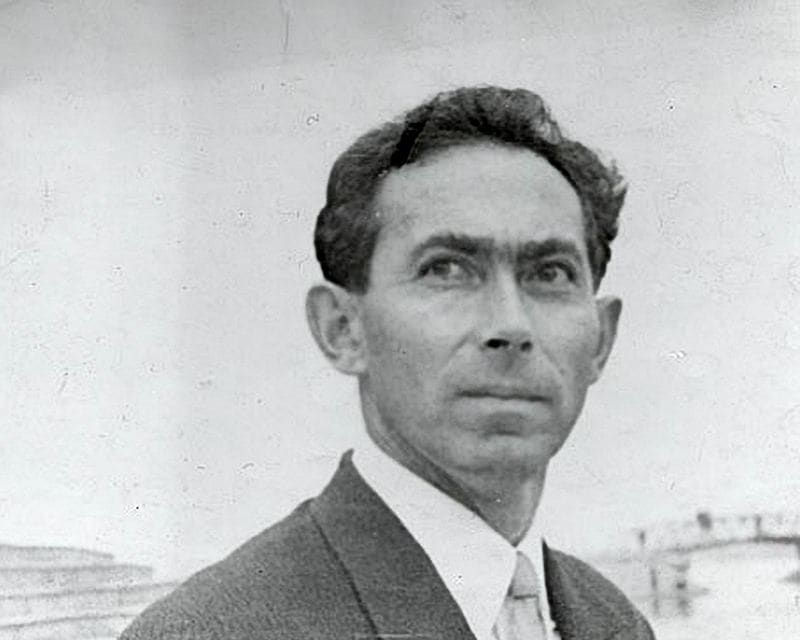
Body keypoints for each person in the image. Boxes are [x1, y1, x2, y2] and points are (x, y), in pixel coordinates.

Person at [121, 86, 655, 640]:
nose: (510, 326)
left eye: (549, 273)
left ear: (601, 339)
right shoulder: (210, 631)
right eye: (446, 269)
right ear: (342, 329)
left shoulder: (612, 623)